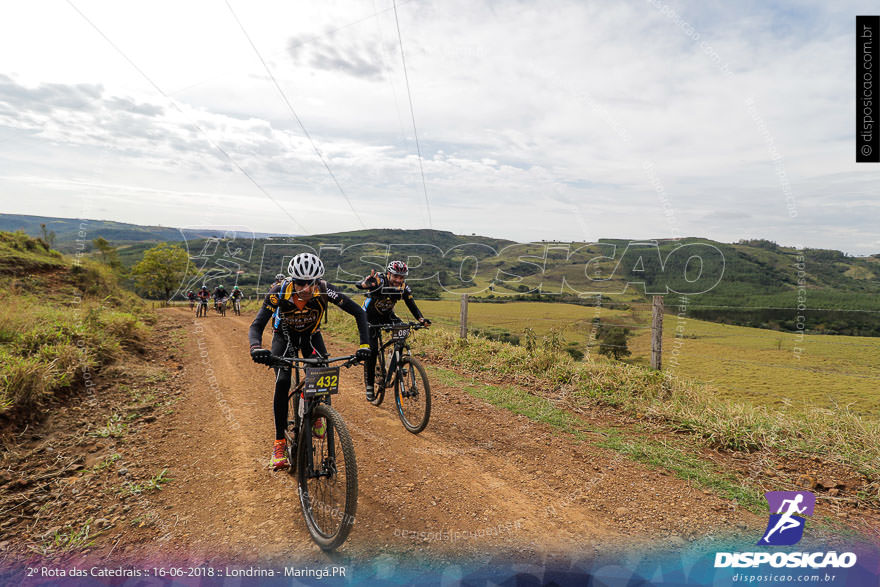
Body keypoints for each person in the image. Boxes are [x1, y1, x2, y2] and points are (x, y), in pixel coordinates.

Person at [249, 253, 371, 470]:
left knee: (323, 373)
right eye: (300, 283)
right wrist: (256, 347)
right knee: (283, 381)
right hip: (284, 338)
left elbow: (359, 313)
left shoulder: (325, 289)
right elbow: (257, 325)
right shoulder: (278, 292)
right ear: (292, 280)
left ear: (317, 281)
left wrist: (364, 345)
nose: (305, 288)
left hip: (311, 337)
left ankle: (312, 405)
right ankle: (279, 443)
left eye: (311, 283)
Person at [355, 260, 430, 401]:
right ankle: (370, 386)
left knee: (402, 332)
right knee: (372, 351)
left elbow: (411, 304)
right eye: (395, 276)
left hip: (387, 316)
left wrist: (421, 319)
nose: (398, 280)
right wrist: (365, 285)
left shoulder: (403, 287)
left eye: (401, 277)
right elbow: (360, 285)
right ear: (389, 274)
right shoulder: (380, 281)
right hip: (368, 318)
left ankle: (396, 363)